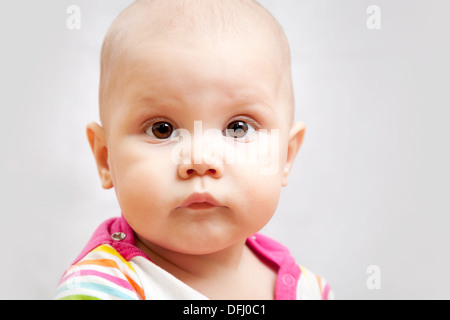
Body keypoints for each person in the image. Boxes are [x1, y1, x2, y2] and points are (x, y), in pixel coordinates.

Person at [55, 0, 334, 300]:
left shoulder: (311, 291)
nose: (200, 160)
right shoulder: (100, 288)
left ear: (286, 156)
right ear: (105, 158)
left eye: (238, 128)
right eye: (162, 129)